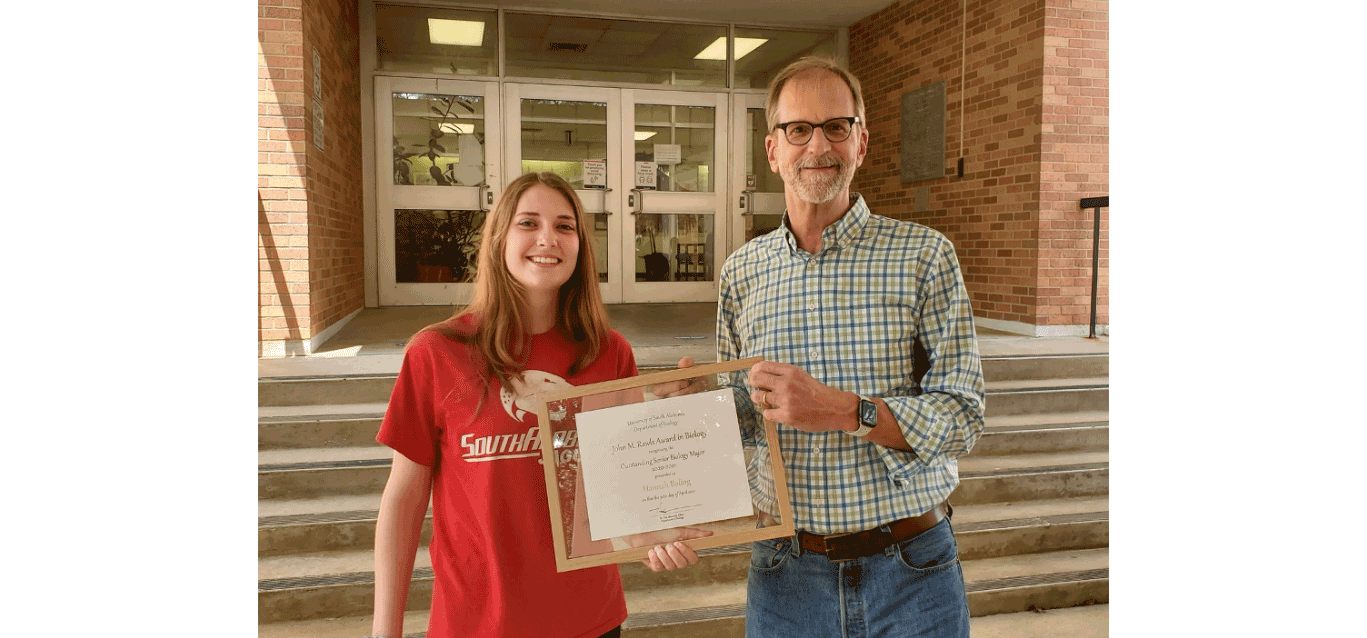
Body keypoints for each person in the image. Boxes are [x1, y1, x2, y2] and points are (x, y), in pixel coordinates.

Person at [664, 57, 986, 637]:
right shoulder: (742, 272)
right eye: (798, 129)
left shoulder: (924, 256)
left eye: (837, 126)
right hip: (787, 575)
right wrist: (692, 412)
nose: (819, 144)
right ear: (773, 151)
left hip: (912, 568)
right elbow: (744, 425)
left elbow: (962, 417)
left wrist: (843, 411)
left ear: (861, 142)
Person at [370, 172, 701, 638]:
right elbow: (403, 500)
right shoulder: (437, 353)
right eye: (529, 223)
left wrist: (657, 530)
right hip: (476, 624)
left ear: (581, 246)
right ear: (499, 238)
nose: (548, 239)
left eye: (565, 226)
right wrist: (385, 630)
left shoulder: (609, 353)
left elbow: (629, 489)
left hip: (590, 621)